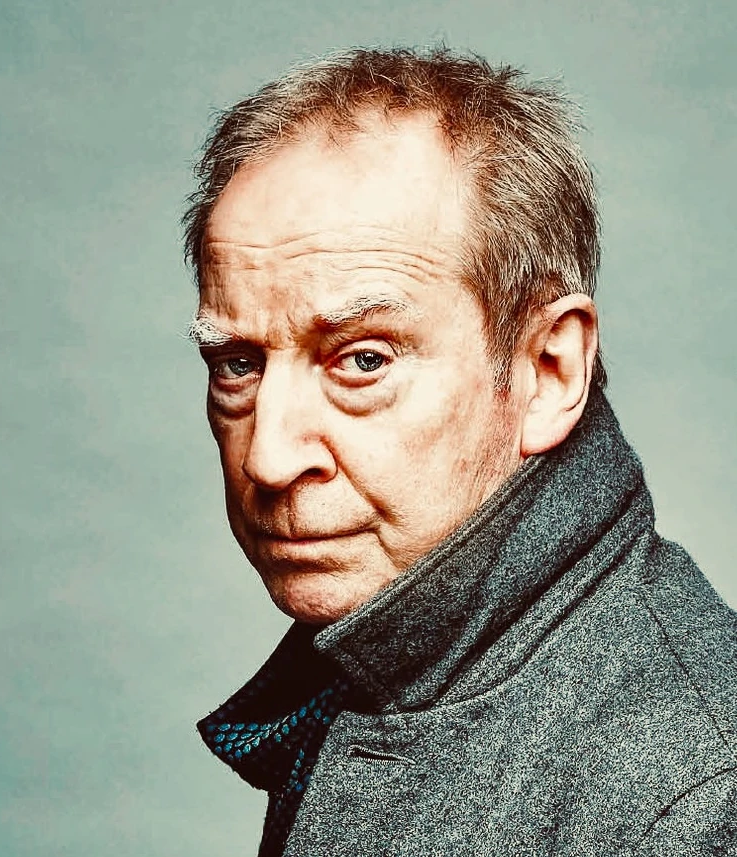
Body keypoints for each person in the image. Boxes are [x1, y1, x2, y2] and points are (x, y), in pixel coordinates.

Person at [183, 47, 737, 856]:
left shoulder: (700, 799)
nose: (268, 458)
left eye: (362, 360)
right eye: (237, 364)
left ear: (548, 369)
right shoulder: (370, 670)